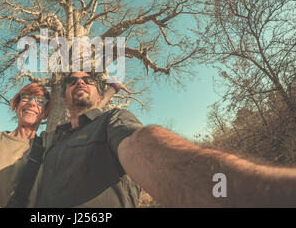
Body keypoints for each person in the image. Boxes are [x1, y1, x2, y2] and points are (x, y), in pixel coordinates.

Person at [35, 71, 296, 207]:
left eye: (88, 80)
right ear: (63, 95)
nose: (80, 82)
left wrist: (240, 191)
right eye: (72, 81)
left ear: (96, 90)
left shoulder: (111, 122)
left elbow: (144, 145)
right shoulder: (50, 141)